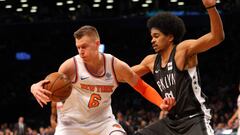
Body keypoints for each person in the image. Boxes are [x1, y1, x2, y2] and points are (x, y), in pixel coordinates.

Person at [30, 25, 175, 135]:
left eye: (84, 46)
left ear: (97, 44)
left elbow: (141, 86)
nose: (80, 51)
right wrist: (35, 87)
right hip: (71, 124)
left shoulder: (116, 66)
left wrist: (160, 102)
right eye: (78, 47)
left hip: (103, 122)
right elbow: (49, 84)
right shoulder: (70, 66)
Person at [131, 0, 225, 134]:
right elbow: (125, 74)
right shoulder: (150, 61)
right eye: (151, 37)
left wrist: (211, 7)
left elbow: (217, 37)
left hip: (194, 119)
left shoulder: (183, 51)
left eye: (156, 36)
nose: (152, 40)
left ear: (170, 37)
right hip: (171, 122)